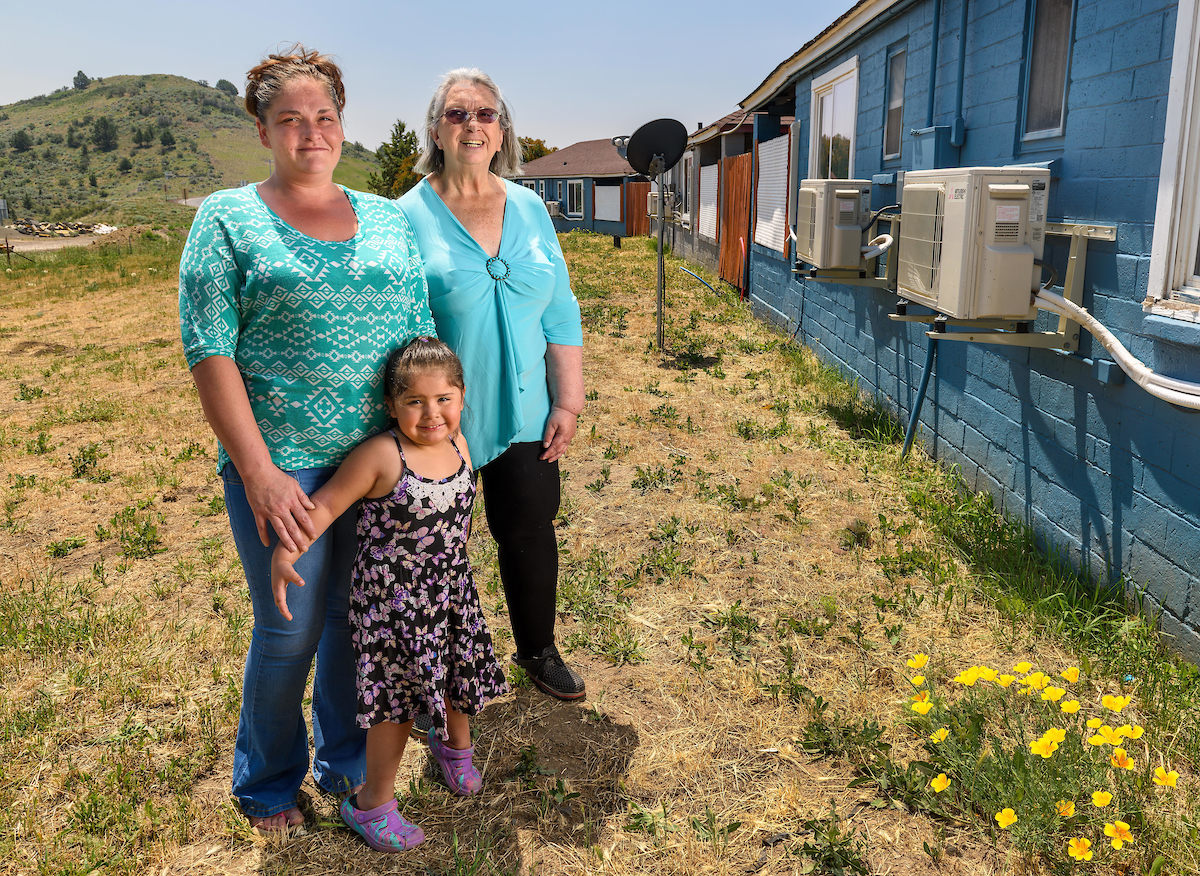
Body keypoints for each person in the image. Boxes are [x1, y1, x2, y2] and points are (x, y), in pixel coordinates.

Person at [178, 45, 436, 833]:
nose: (310, 132)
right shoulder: (226, 217)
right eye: (289, 119)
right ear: (262, 129)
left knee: (357, 623)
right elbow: (209, 346)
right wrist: (257, 473)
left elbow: (419, 331)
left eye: (324, 117)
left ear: (341, 125)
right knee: (289, 629)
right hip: (283, 458)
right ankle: (266, 781)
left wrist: (425, 447)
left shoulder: (388, 215)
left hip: (375, 460)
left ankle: (346, 761)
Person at [272, 337, 507, 852]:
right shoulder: (382, 456)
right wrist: (286, 552)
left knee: (455, 670)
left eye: (443, 399)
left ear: (462, 397)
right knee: (397, 704)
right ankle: (371, 804)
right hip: (393, 606)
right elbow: (324, 507)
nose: (431, 414)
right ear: (391, 406)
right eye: (415, 402)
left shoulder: (461, 445)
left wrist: (451, 579)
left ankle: (454, 747)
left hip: (449, 590)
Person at [399, 69, 586, 704]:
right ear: (436, 131)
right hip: (439, 423)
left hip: (530, 411)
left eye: (485, 113)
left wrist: (568, 398)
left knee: (531, 530)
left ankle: (537, 649)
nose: (472, 125)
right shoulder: (406, 217)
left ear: (500, 129)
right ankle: (432, 679)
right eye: (457, 115)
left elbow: (559, 308)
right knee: (437, 552)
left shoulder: (529, 207)